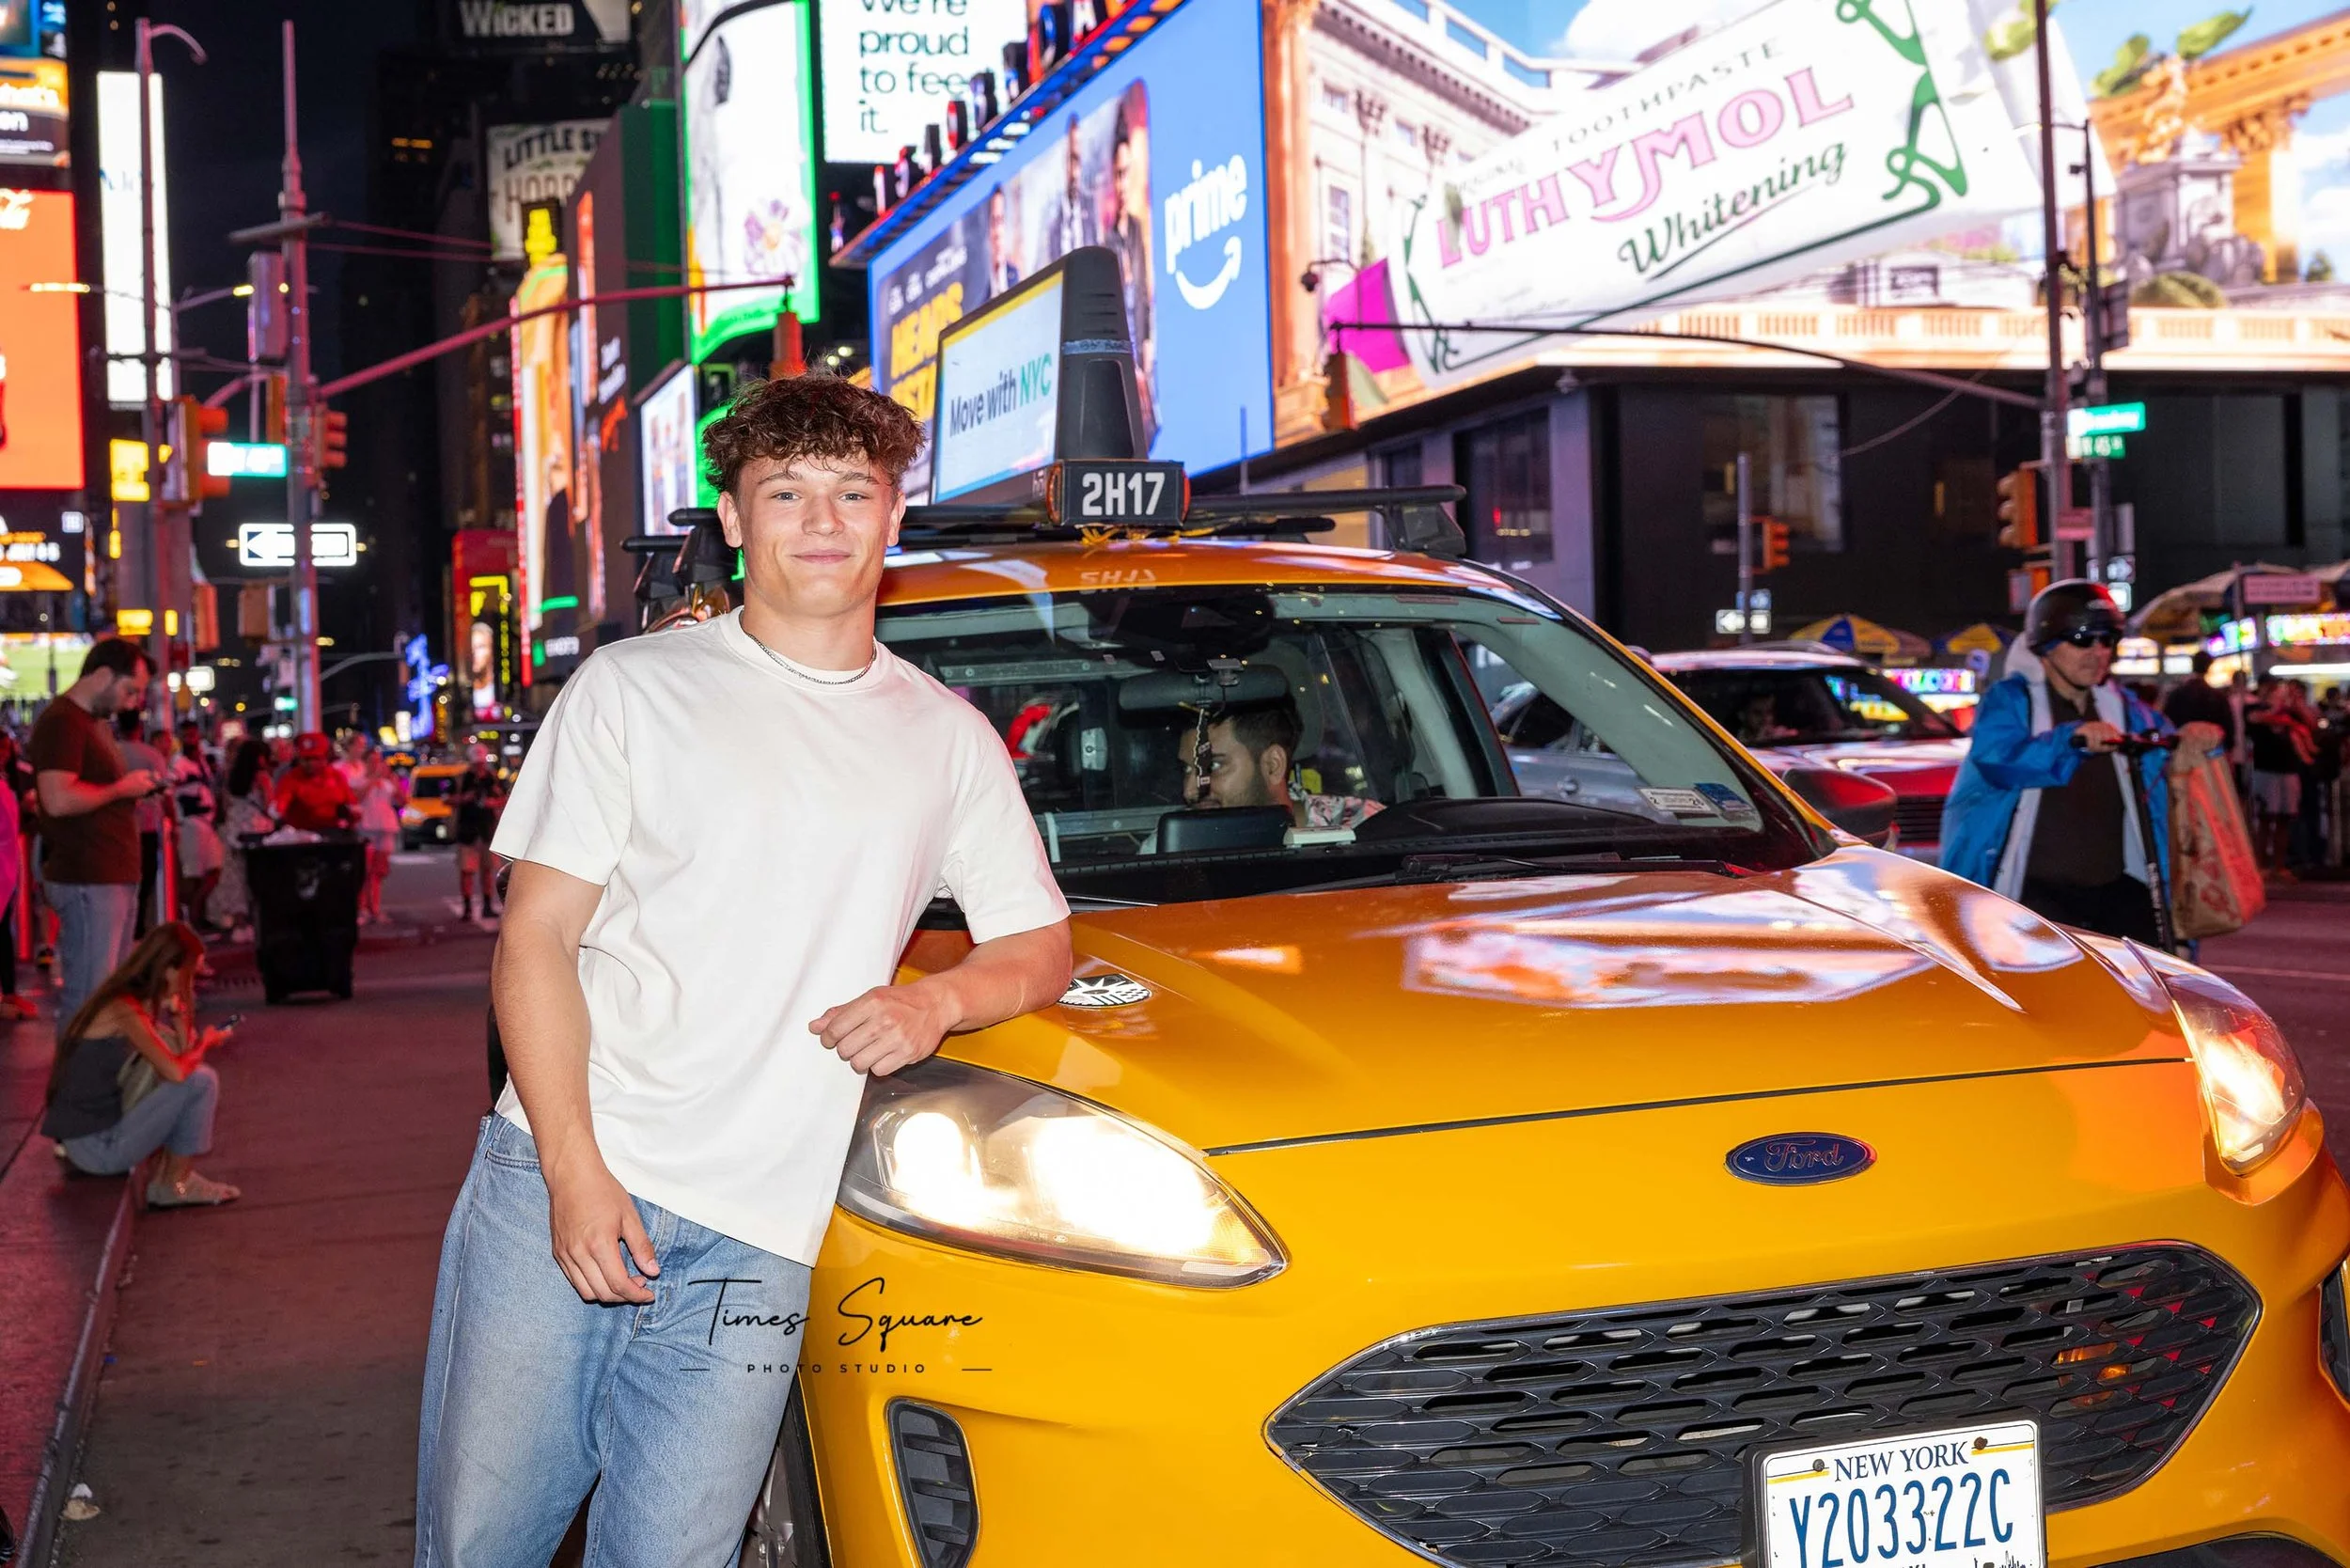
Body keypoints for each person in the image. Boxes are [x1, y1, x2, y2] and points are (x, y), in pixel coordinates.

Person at [414, 374, 1073, 1567]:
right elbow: (536, 939)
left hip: (763, 1233)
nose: (821, 520)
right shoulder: (633, 687)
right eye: (785, 491)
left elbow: (1037, 942)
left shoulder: (945, 736)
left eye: (851, 491)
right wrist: (574, 1173)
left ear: (892, 520)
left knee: (678, 1556)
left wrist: (939, 998)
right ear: (733, 517)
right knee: (482, 1545)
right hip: (564, 1179)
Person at [1941, 581, 2212, 942]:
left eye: (2107, 641)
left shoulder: (2121, 705)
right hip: (2030, 889)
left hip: (2115, 886)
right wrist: (2072, 739)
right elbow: (1998, 759)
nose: (2098, 652)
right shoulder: (2011, 700)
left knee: (2154, 976)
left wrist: (2198, 740)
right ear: (2046, 645)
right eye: (2083, 640)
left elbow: (2164, 744)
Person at [40, 921, 239, 1207]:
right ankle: (174, 1183)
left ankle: (176, 1178)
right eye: (188, 976)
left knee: (187, 1073)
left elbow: (179, 1055)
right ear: (169, 970)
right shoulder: (124, 1010)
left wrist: (181, 1018)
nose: (189, 985)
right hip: (97, 1149)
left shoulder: (127, 1001)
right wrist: (205, 1043)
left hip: (91, 1140)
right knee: (202, 1081)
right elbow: (178, 1072)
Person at [31, 639, 158, 1031]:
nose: (132, 702)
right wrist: (123, 790)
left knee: (106, 997)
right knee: (89, 997)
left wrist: (129, 792)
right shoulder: (63, 721)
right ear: (103, 676)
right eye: (129, 690)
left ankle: (97, 1087)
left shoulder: (91, 723)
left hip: (109, 875)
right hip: (89, 878)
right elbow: (56, 798)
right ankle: (74, 1090)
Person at [1177, 698, 1386, 830]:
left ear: (1272, 765)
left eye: (1213, 766)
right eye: (1187, 769)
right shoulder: (1169, 847)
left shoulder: (1364, 827)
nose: (1189, 790)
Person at [212, 738, 276, 942]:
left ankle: (240, 923)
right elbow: (270, 805)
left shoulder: (231, 776)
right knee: (258, 877)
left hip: (234, 831)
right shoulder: (262, 777)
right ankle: (258, 922)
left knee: (236, 877)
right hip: (257, 829)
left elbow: (225, 805)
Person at [115, 710, 171, 933]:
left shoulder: (113, 753)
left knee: (122, 878)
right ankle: (138, 924)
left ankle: (127, 923)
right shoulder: (151, 755)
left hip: (119, 825)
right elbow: (165, 791)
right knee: (146, 877)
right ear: (139, 728)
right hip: (147, 825)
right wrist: (172, 821)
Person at [171, 732, 225, 933]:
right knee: (194, 876)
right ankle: (193, 919)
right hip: (192, 824)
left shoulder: (201, 764)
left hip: (206, 824)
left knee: (214, 869)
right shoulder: (181, 765)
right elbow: (174, 784)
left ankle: (197, 915)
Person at [450, 745, 507, 923]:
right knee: (467, 869)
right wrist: (464, 798)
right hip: (467, 830)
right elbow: (447, 798)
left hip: (487, 830)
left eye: (481, 764)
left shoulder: (493, 779)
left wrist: (492, 802)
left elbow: (504, 798)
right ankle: (467, 907)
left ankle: (487, 905)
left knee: (487, 870)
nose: (480, 767)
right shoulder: (462, 779)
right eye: (477, 764)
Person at [351, 743, 405, 924]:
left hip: (385, 828)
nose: (376, 764)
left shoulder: (387, 781)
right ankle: (362, 909)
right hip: (366, 829)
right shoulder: (358, 780)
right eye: (372, 761)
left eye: (378, 761)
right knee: (364, 871)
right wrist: (372, 779)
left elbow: (402, 800)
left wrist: (395, 782)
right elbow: (357, 798)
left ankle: (375, 907)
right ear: (365, 762)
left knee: (378, 872)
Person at [0, 728, 30, 1018]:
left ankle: (8, 992)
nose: (4, 755)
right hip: (4, 866)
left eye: (7, 749)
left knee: (4, 932)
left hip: (7, 867)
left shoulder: (9, 781)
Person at [274, 730, 355, 832]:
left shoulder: (336, 776)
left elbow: (352, 806)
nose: (311, 763)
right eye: (306, 759)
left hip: (333, 836)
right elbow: (279, 808)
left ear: (325, 757)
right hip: (302, 838)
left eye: (316, 758)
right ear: (299, 758)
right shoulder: (291, 779)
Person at [2162, 651, 2236, 751]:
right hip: (2212, 751)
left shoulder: (2177, 695)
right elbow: (2228, 730)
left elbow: (2167, 724)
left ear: (2192, 664)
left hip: (2184, 751)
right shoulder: (2218, 697)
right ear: (2209, 667)